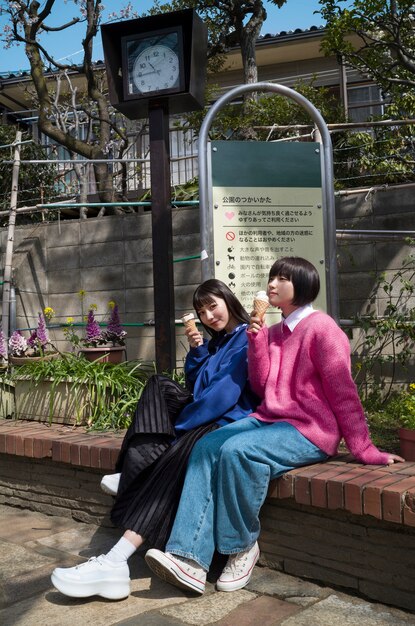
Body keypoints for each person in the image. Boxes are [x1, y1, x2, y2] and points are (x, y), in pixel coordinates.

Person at [144, 256, 405, 595]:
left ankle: (243, 547)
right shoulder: (275, 330)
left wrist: (365, 449)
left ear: (304, 283)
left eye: (282, 278)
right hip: (269, 419)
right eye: (272, 278)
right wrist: (256, 341)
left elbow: (343, 393)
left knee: (237, 452)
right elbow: (263, 382)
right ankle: (189, 559)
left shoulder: (323, 328)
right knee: (207, 444)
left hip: (311, 430)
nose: (272, 284)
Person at [51, 279, 258, 600]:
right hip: (206, 410)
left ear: (229, 301)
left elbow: (223, 395)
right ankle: (133, 471)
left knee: (183, 450)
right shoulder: (218, 341)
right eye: (201, 311)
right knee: (159, 385)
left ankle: (115, 559)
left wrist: (181, 428)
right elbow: (197, 384)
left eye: (213, 306)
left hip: (226, 419)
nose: (208, 315)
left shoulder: (247, 337)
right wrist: (198, 350)